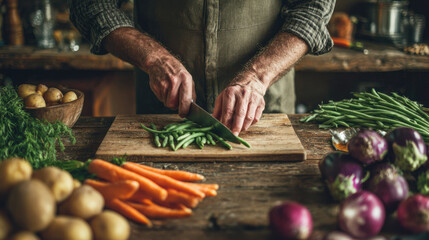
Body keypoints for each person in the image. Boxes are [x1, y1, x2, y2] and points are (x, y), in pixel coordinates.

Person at [69, 0, 335, 136]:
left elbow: (313, 8)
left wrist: (257, 76)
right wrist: (154, 58)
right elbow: (91, 4)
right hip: (162, 115)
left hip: (264, 111)